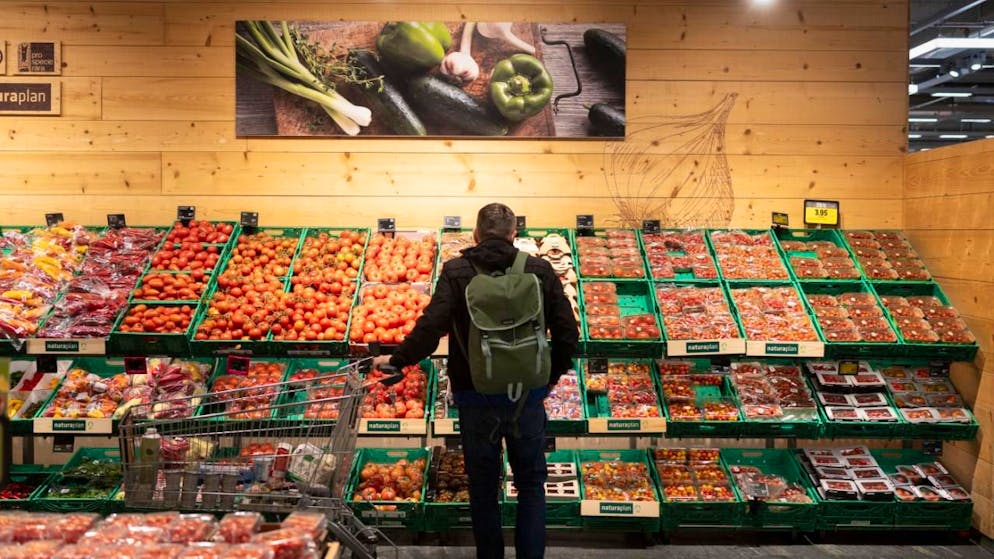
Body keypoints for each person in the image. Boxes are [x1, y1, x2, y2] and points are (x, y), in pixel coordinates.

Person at [373, 202, 578, 559]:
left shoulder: (457, 270)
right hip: (526, 398)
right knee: (530, 485)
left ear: (475, 234)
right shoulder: (540, 270)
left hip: (474, 397)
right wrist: (547, 380)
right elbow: (567, 333)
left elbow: (430, 327)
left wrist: (399, 359)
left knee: (483, 487)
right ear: (515, 235)